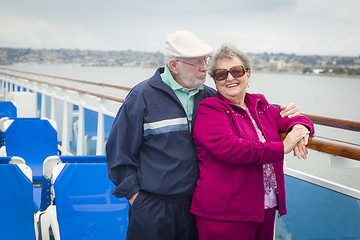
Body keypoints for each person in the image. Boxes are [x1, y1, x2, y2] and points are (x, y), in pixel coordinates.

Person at [106, 31, 301, 240]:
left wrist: (290, 115)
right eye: (196, 63)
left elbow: (247, 109)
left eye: (205, 60)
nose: (205, 68)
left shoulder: (209, 96)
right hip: (153, 206)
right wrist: (136, 198)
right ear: (173, 65)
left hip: (194, 207)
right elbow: (119, 151)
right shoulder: (142, 96)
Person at [190, 43, 315, 240]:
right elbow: (231, 148)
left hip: (264, 207)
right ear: (215, 81)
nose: (230, 78)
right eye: (221, 74)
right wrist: (284, 146)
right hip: (225, 213)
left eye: (236, 71)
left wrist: (301, 129)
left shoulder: (260, 106)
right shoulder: (210, 109)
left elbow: (296, 119)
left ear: (248, 75)